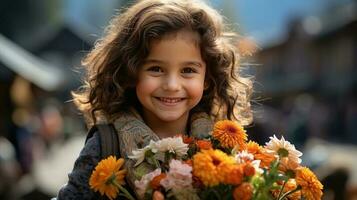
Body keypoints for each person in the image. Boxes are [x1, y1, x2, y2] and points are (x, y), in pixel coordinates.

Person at [55, 0, 253, 199]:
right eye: (156, 69)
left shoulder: (223, 150)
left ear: (208, 79)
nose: (172, 85)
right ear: (130, 73)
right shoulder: (104, 146)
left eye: (188, 70)